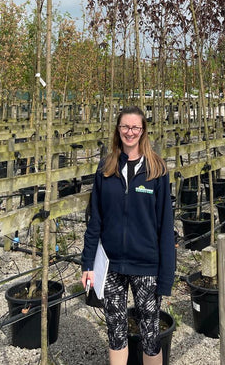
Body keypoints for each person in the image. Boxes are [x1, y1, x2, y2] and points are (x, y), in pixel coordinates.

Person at [81, 106, 175, 365]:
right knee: (116, 333)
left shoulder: (156, 170)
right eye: (125, 127)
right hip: (111, 266)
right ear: (118, 130)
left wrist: (166, 276)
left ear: (143, 131)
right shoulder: (105, 169)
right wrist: (88, 264)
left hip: (146, 266)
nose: (130, 132)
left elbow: (166, 226)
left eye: (135, 127)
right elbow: (95, 221)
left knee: (151, 336)